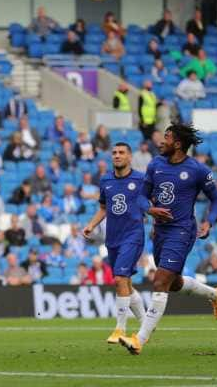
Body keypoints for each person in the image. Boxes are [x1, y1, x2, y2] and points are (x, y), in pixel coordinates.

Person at [118, 124, 217, 355]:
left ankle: (139, 340)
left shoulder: (197, 170)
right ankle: (214, 294)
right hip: (160, 231)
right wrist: (151, 210)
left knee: (160, 281)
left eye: (166, 137)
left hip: (183, 230)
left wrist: (209, 221)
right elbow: (141, 198)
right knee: (173, 283)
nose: (161, 141)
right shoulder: (155, 164)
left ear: (177, 144)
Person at [83, 142, 148, 343]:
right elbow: (103, 208)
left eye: (121, 153)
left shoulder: (141, 179)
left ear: (129, 157)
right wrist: (91, 225)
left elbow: (151, 204)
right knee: (126, 283)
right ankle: (147, 324)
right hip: (113, 238)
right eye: (114, 153)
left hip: (133, 235)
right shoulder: (106, 180)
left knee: (119, 278)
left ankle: (120, 329)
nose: (117, 156)